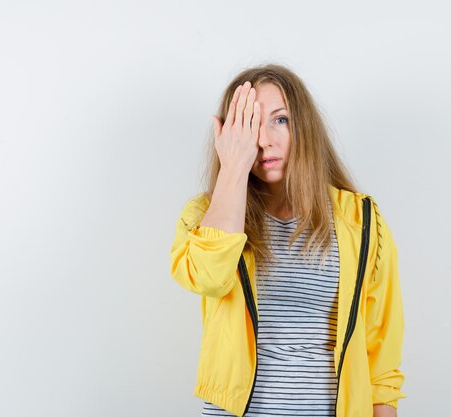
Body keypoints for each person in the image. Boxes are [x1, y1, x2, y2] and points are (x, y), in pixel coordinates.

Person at [169, 64, 406, 417]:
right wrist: (233, 169)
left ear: (304, 126)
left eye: (280, 120)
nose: (264, 140)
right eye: (249, 123)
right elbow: (206, 276)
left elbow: (381, 357)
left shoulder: (360, 219)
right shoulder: (206, 214)